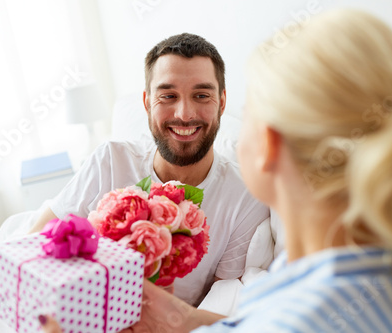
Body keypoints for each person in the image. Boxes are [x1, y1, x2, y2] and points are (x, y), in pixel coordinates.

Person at [39, 8, 392, 332]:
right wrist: (175, 316)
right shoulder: (364, 275)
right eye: (168, 95)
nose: (185, 114)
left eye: (246, 112)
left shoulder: (301, 314)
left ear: (267, 143)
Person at [28, 33, 271, 306]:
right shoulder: (111, 159)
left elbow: (219, 303)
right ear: (146, 102)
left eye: (201, 95)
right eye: (168, 96)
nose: (184, 113)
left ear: (222, 102)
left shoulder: (245, 196)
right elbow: (35, 242)